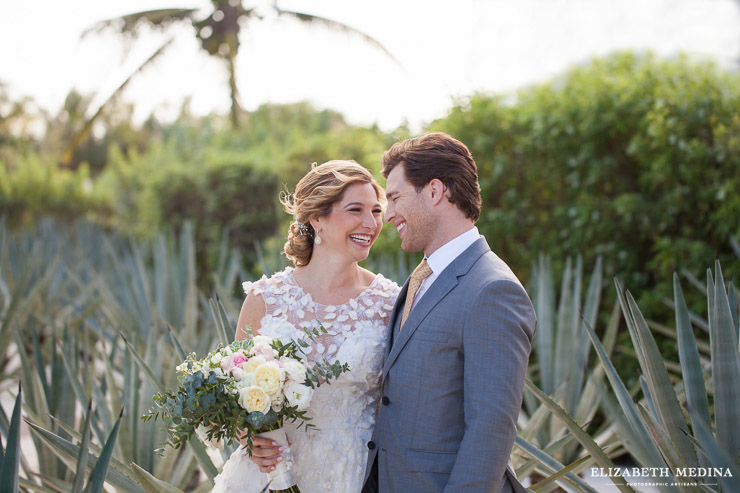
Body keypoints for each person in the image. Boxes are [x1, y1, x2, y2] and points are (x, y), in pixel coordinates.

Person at [212, 160, 400, 492]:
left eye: (376, 211)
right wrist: (250, 439)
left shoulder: (389, 304)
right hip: (270, 477)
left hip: (353, 475)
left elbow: (400, 403)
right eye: (355, 210)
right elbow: (234, 397)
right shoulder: (265, 299)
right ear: (317, 218)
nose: (370, 223)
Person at [366, 132, 536, 492]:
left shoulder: (492, 290)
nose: (389, 213)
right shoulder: (421, 277)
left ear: (434, 191)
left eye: (395, 197)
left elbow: (490, 429)